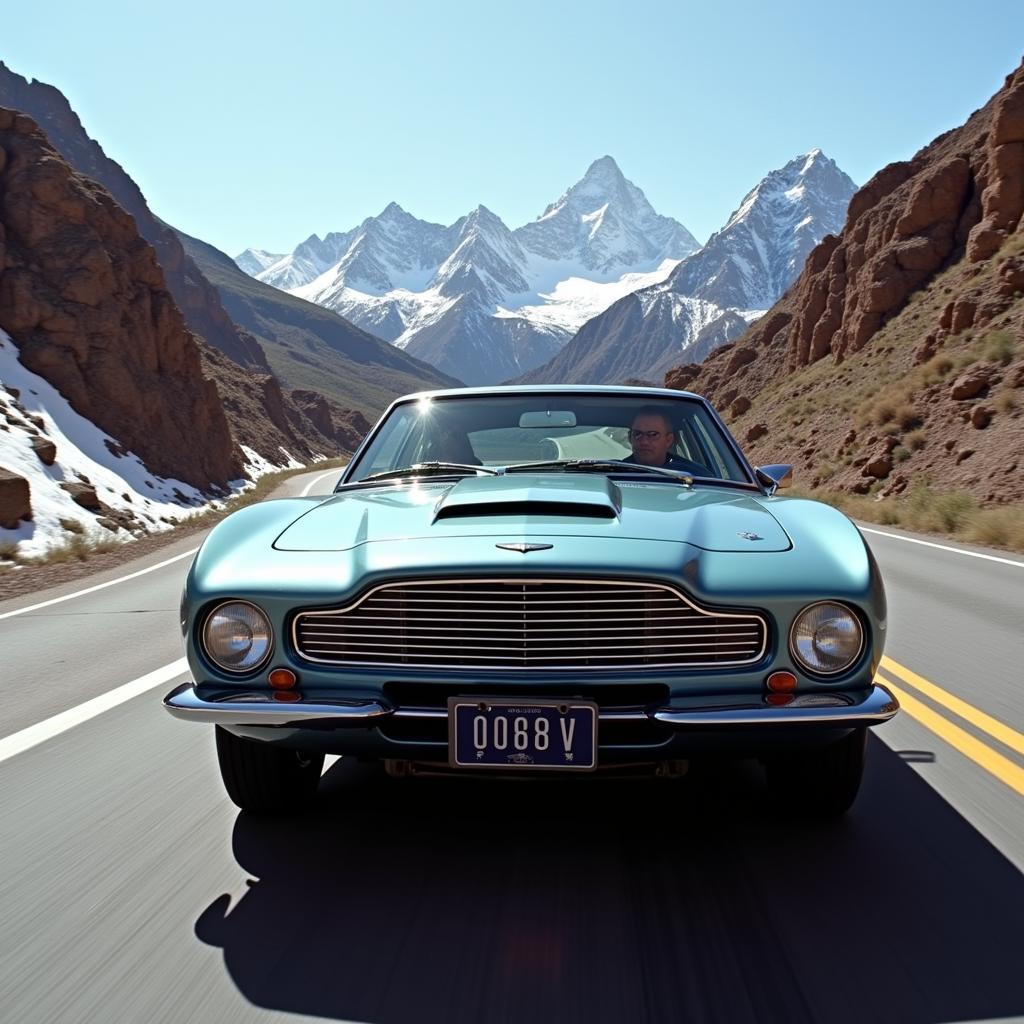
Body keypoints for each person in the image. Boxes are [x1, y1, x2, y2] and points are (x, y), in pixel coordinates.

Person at [624, 407, 707, 473]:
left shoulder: (696, 476)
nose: (644, 442)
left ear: (668, 440)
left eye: (653, 434)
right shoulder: (615, 473)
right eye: (637, 434)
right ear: (629, 438)